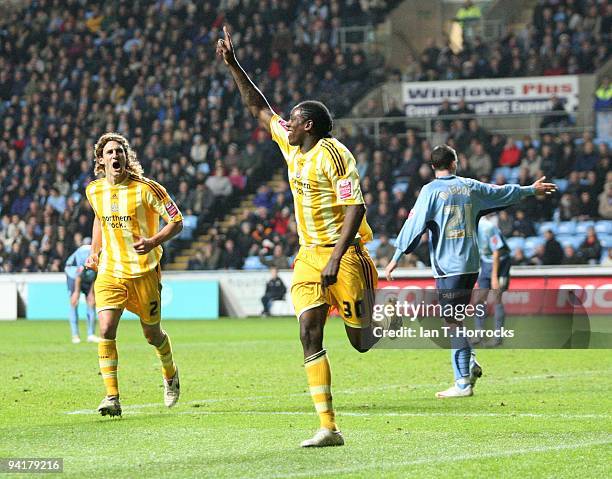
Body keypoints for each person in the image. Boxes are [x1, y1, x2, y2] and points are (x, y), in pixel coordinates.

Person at [217, 26, 377, 447]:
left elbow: (355, 207)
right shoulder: (293, 147)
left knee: (360, 343)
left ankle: (380, 315)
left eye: (292, 118)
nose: (283, 121)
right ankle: (328, 426)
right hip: (309, 257)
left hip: (344, 256)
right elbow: (258, 107)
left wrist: (333, 259)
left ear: (307, 124)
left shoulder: (334, 155)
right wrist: (233, 64)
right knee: (309, 331)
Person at [385, 145, 556, 398]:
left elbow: (413, 225)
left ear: (433, 167)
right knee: (456, 319)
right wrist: (531, 189)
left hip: (447, 267)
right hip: (471, 265)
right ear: (454, 163)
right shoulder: (470, 186)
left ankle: (462, 382)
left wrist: (396, 257)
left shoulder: (429, 191)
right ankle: (470, 361)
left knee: (451, 321)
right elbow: (502, 193)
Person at [85, 132, 184, 417]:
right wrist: (95, 251)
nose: (115, 156)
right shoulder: (94, 191)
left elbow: (177, 221)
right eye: (110, 152)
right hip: (111, 271)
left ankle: (170, 373)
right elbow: (99, 219)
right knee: (105, 328)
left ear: (126, 157)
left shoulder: (148, 189)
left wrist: (153, 242)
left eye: (119, 151)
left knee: (152, 334)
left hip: (144, 273)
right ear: (100, 161)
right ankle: (112, 397)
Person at [473, 215, 511, 347]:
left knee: (497, 297)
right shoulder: (468, 229)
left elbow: (497, 252)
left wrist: (494, 277)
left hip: (501, 262)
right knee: (479, 298)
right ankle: (479, 334)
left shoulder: (488, 228)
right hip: (485, 262)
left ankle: (498, 337)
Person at [64, 238, 99, 344]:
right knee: (74, 302)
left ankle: (91, 334)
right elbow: (79, 275)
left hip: (89, 276)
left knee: (91, 302)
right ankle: (75, 335)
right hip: (73, 275)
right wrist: (76, 293)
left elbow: (98, 273)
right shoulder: (83, 253)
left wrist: (91, 292)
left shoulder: (101, 253)